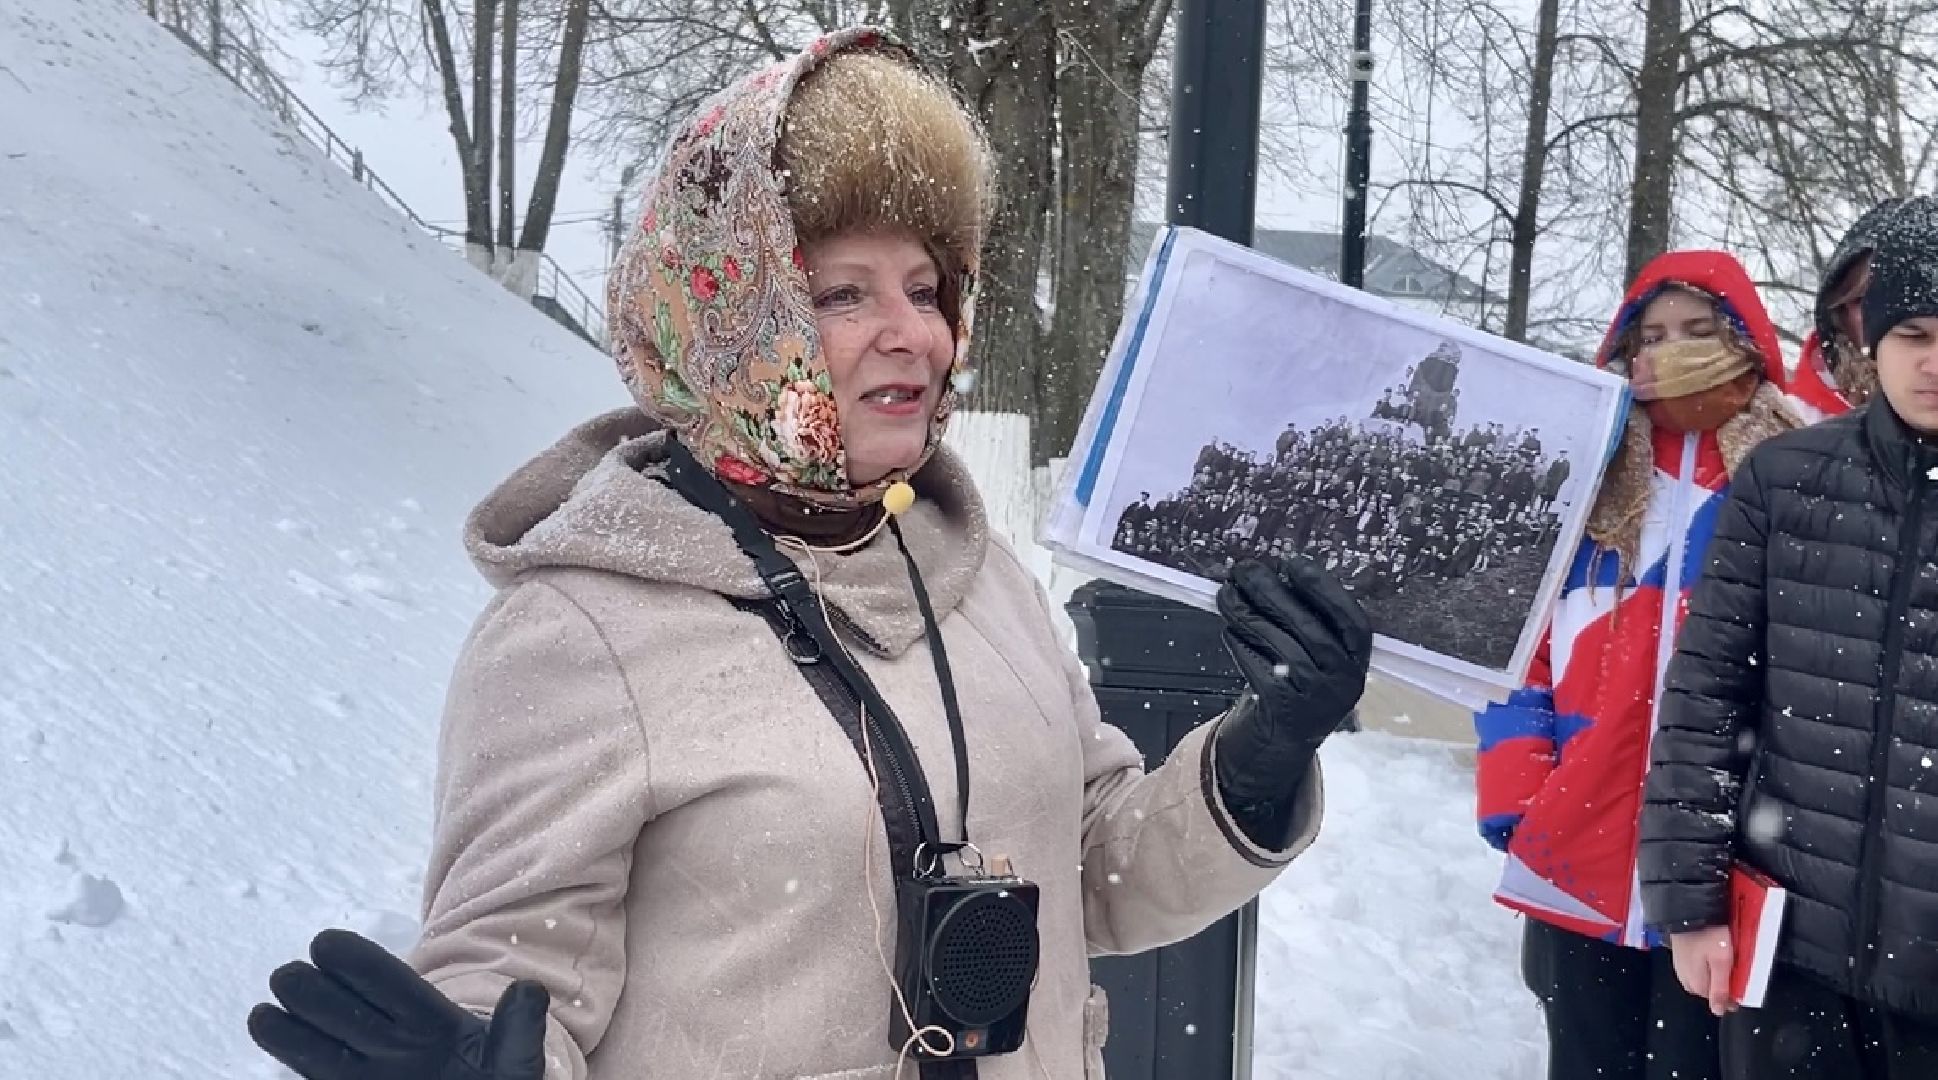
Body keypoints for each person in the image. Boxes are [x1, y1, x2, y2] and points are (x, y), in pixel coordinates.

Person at [242, 29, 1372, 1080]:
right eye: (842, 293)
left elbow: (1095, 873)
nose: (914, 333)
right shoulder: (581, 631)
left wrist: (1260, 756)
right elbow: (508, 977)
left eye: (925, 289)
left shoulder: (981, 580)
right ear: (729, 318)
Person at [1473, 250, 1802, 1080]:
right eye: (1651, 334)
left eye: (1698, 330)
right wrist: (1523, 797)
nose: (1672, 350)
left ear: (1745, 340)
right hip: (1574, 852)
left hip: (1724, 869)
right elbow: (1515, 646)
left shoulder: (1797, 475)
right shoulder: (1576, 473)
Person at [1640, 195, 1938, 1079]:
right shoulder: (1785, 481)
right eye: (1913, 333)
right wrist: (1690, 906)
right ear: (1871, 344)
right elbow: (1704, 701)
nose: (1933, 361)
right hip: (1796, 961)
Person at [1788, 198, 1908, 420]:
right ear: (1840, 315)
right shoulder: (1796, 422)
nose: (1889, 312)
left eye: (1907, 296)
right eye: (1864, 299)